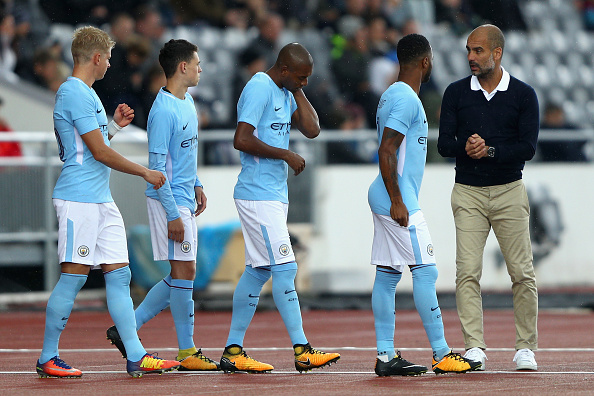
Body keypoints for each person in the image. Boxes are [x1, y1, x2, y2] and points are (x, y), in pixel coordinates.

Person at [36, 26, 180, 378]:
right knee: (74, 276)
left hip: (99, 198)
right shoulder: (75, 93)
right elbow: (98, 153)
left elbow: (94, 145)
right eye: (109, 58)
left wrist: (113, 127)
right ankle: (47, 357)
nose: (110, 64)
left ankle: (136, 354)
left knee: (120, 274)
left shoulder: (85, 94)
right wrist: (145, 172)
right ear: (97, 57)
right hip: (79, 198)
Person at [220, 43, 340, 373]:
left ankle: (232, 350)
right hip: (257, 193)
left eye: (308, 79)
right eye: (300, 77)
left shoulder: (287, 90)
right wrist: (285, 154)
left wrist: (298, 90)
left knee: (258, 271)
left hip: (272, 194)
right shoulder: (259, 87)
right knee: (285, 269)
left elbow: (313, 129)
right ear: (283, 70)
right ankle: (302, 349)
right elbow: (241, 139)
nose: (305, 83)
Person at [368, 33, 481, 377]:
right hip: (396, 197)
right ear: (425, 62)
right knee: (426, 270)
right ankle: (442, 353)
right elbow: (387, 150)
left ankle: (386, 355)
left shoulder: (391, 93)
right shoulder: (406, 99)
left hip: (386, 193)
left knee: (388, 275)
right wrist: (399, 201)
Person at [105, 38, 220, 372]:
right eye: (197, 63)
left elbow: (184, 154)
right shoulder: (163, 111)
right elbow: (156, 170)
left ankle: (127, 331)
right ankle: (186, 351)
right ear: (183, 67)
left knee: (181, 272)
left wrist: (196, 182)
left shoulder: (187, 102)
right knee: (186, 272)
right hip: (167, 200)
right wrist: (172, 213)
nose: (201, 68)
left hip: (184, 195)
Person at [437, 24, 539, 371]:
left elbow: (528, 148)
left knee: (522, 273)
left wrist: (490, 150)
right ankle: (474, 345)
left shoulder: (523, 95)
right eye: (469, 50)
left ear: (497, 53)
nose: (470, 57)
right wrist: (466, 148)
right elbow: (442, 145)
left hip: (510, 190)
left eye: (478, 51)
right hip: (467, 192)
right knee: (466, 272)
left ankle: (525, 347)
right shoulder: (455, 93)